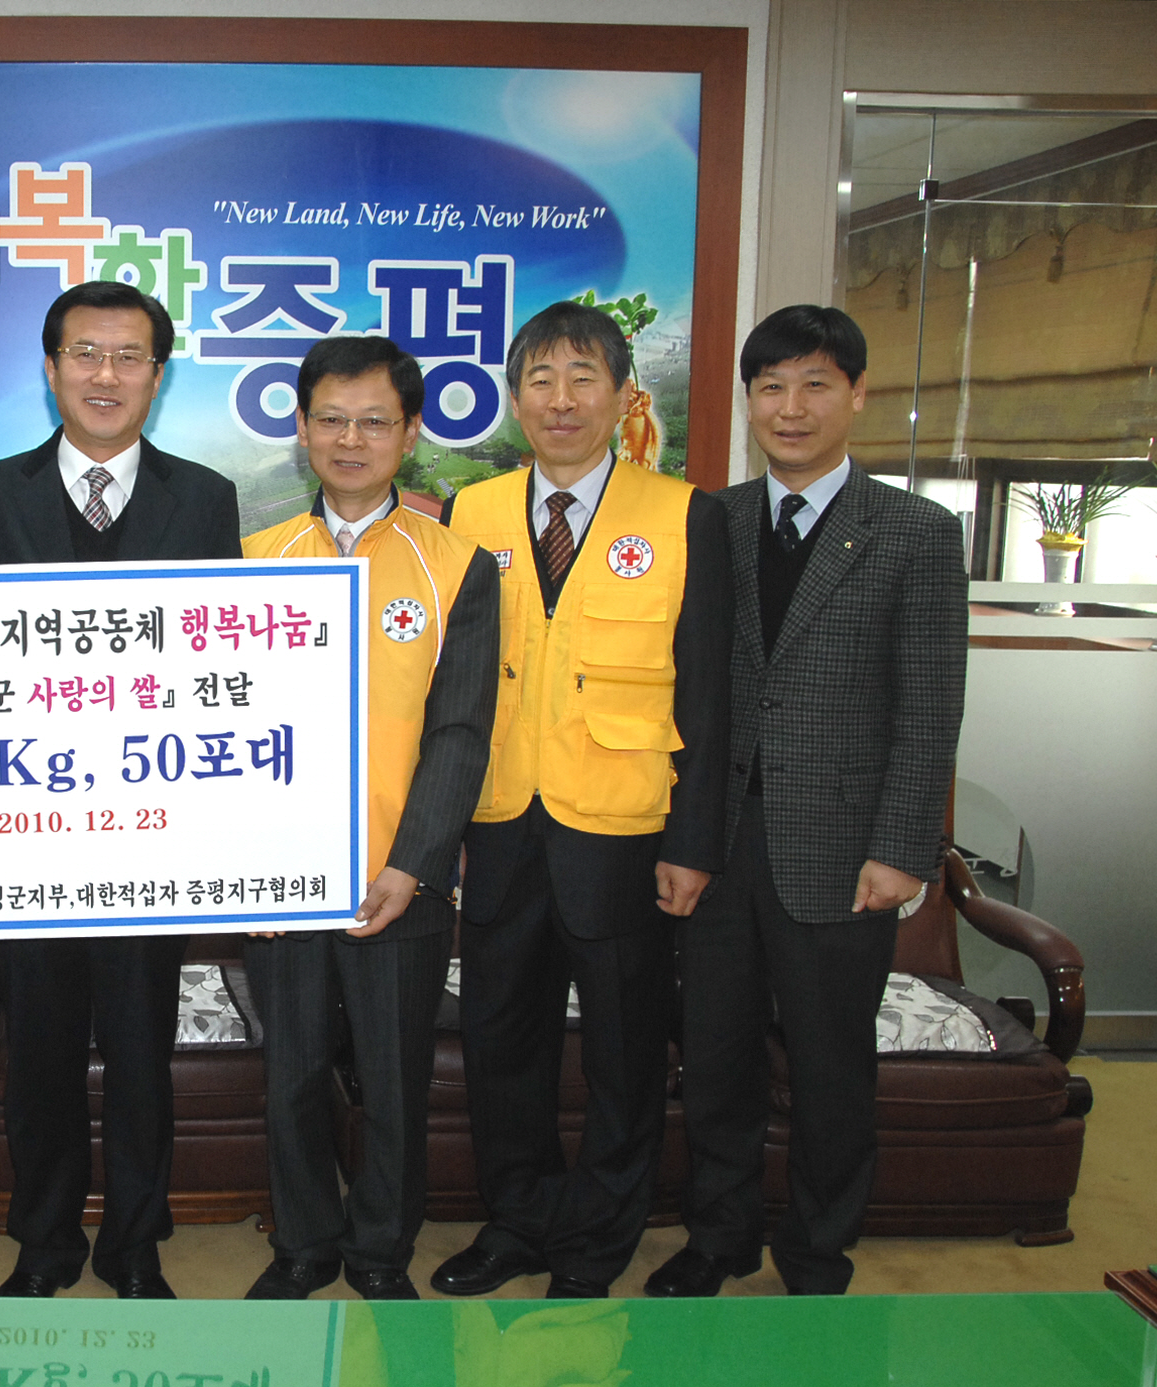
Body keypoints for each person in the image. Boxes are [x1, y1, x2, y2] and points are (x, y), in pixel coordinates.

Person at [648, 306, 967, 1298]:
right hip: (716, 842)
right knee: (715, 1058)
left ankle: (818, 1249)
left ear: (857, 395)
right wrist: (681, 834)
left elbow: (929, 706)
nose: (791, 408)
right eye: (771, 387)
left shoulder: (915, 532)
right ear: (748, 400)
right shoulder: (713, 518)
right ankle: (719, 1237)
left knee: (831, 1067)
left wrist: (903, 848)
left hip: (843, 848)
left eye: (815, 385)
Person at [0, 281, 242, 1299]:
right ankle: (43, 1241)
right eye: (85, 353)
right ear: (49, 368)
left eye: (128, 357)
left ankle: (133, 1241)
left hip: (151, 830)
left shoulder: (204, 497)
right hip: (26, 829)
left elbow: (223, 662)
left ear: (158, 376)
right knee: (36, 1047)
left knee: (138, 1045)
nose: (105, 375)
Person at [434, 301, 732, 1300]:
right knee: (500, 1040)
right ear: (513, 397)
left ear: (621, 395)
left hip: (623, 826)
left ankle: (596, 1240)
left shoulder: (685, 516)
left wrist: (692, 842)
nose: (560, 400)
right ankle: (517, 1220)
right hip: (498, 823)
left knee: (623, 1047)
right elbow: (452, 683)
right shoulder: (470, 512)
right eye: (539, 380)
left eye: (582, 378)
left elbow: (707, 693)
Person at [241, 337, 499, 1301]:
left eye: (375, 421)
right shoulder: (253, 559)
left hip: (401, 879)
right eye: (332, 420)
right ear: (302, 427)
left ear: (411, 432)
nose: (351, 440)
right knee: (293, 1078)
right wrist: (252, 868)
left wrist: (414, 864)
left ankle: (382, 1253)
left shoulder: (457, 565)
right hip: (283, 879)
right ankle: (304, 1247)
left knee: (394, 1083)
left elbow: (461, 731)